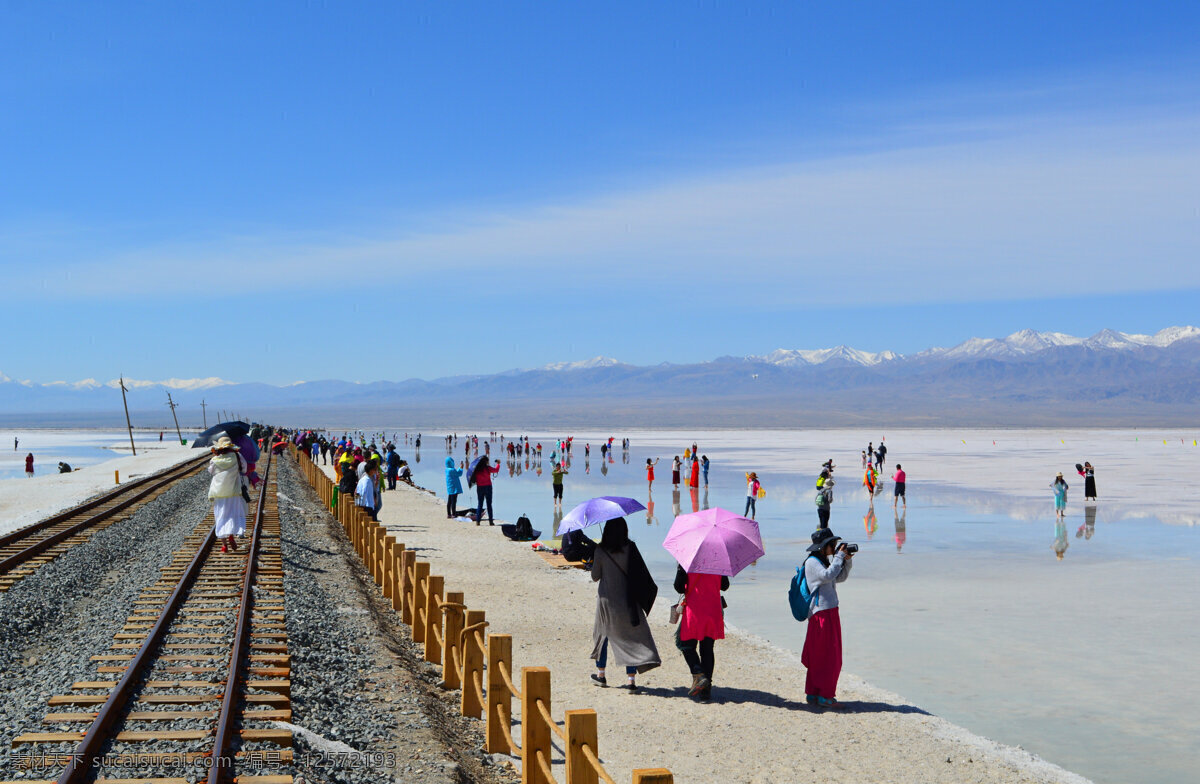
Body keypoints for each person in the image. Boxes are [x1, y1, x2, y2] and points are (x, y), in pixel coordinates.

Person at [590, 518, 660, 691]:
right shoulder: (631, 548)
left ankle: (601, 675)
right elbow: (639, 572)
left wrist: (597, 557)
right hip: (628, 599)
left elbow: (595, 576)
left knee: (603, 635)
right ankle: (631, 680)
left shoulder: (600, 549)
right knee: (631, 636)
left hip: (607, 600)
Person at [801, 528, 854, 708]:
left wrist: (846, 562)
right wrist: (838, 558)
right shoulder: (812, 562)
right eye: (832, 544)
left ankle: (815, 693)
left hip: (829, 612)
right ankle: (823, 695)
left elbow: (837, 578)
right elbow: (827, 575)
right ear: (824, 546)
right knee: (826, 657)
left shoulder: (822, 561)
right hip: (821, 614)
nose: (834, 547)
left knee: (826, 655)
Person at [674, 564, 729, 702]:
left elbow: (679, 587)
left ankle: (698, 674)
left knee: (685, 644)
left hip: (695, 609)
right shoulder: (717, 560)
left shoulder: (687, 561)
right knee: (707, 649)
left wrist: (681, 570)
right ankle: (706, 692)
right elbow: (725, 585)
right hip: (713, 609)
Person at [207, 436, 247, 553]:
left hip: (218, 492)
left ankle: (224, 546)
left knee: (220, 516)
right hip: (233, 491)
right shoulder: (237, 456)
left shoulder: (215, 459)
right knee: (232, 514)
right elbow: (244, 469)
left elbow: (211, 472)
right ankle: (231, 536)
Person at [471, 456, 501, 526]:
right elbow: (496, 470)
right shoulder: (487, 468)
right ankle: (490, 521)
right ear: (486, 462)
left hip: (480, 487)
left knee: (480, 504)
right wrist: (498, 464)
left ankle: (478, 521)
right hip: (488, 487)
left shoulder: (476, 469)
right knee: (489, 505)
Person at [815, 462, 835, 528]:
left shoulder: (821, 490)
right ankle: (824, 535)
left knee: (821, 522)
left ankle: (820, 534)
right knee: (825, 523)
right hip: (826, 509)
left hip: (819, 508)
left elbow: (816, 499)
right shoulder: (829, 491)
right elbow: (830, 500)